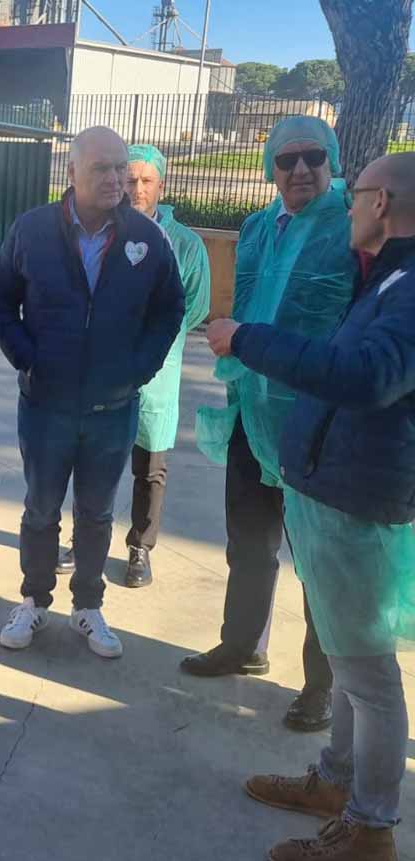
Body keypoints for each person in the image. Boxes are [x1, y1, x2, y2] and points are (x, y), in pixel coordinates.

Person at [207, 152, 415, 861]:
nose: (348, 208)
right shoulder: (385, 278)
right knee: (359, 667)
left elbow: (366, 377)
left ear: (382, 202)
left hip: (359, 502)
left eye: (357, 195)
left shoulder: (408, 285)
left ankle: (370, 830)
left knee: (369, 676)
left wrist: (249, 340)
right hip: (338, 491)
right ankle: (338, 778)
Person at [181, 116, 359, 733]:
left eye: (313, 156)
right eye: (287, 160)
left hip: (316, 421)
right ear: (270, 169)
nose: (301, 169)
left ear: (331, 160)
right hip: (249, 409)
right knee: (249, 542)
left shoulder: (354, 229)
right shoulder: (257, 227)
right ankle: (242, 645)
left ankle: (320, 684)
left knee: (319, 559)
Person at [0, 126, 185, 659]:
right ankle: (33, 600)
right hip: (46, 407)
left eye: (120, 167)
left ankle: (88, 606)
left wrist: (139, 369)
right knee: (40, 511)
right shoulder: (31, 231)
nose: (116, 178)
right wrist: (27, 359)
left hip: (112, 409)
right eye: (101, 168)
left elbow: (171, 308)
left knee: (97, 515)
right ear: (71, 173)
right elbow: (0, 301)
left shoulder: (145, 237)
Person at [57, 143, 211, 587]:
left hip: (158, 374)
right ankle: (84, 539)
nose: (137, 189)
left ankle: (140, 547)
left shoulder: (185, 245)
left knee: (150, 467)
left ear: (161, 184)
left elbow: (195, 307)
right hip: (103, 372)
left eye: (146, 181)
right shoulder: (102, 233)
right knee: (94, 461)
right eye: (130, 180)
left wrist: (149, 335)